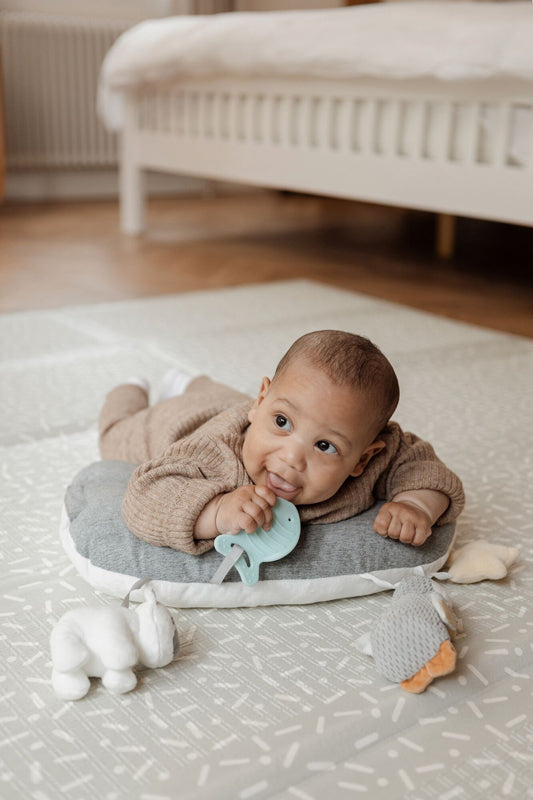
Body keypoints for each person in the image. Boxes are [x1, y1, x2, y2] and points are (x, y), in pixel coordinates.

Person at [99, 330, 464, 555]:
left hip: (239, 406)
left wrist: (416, 504)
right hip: (174, 423)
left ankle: (196, 384)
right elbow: (144, 499)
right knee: (114, 436)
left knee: (230, 398)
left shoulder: (373, 456)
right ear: (261, 401)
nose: (291, 458)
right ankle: (130, 388)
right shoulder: (213, 454)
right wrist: (216, 511)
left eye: (325, 446)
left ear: (362, 459)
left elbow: (423, 466)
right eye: (282, 423)